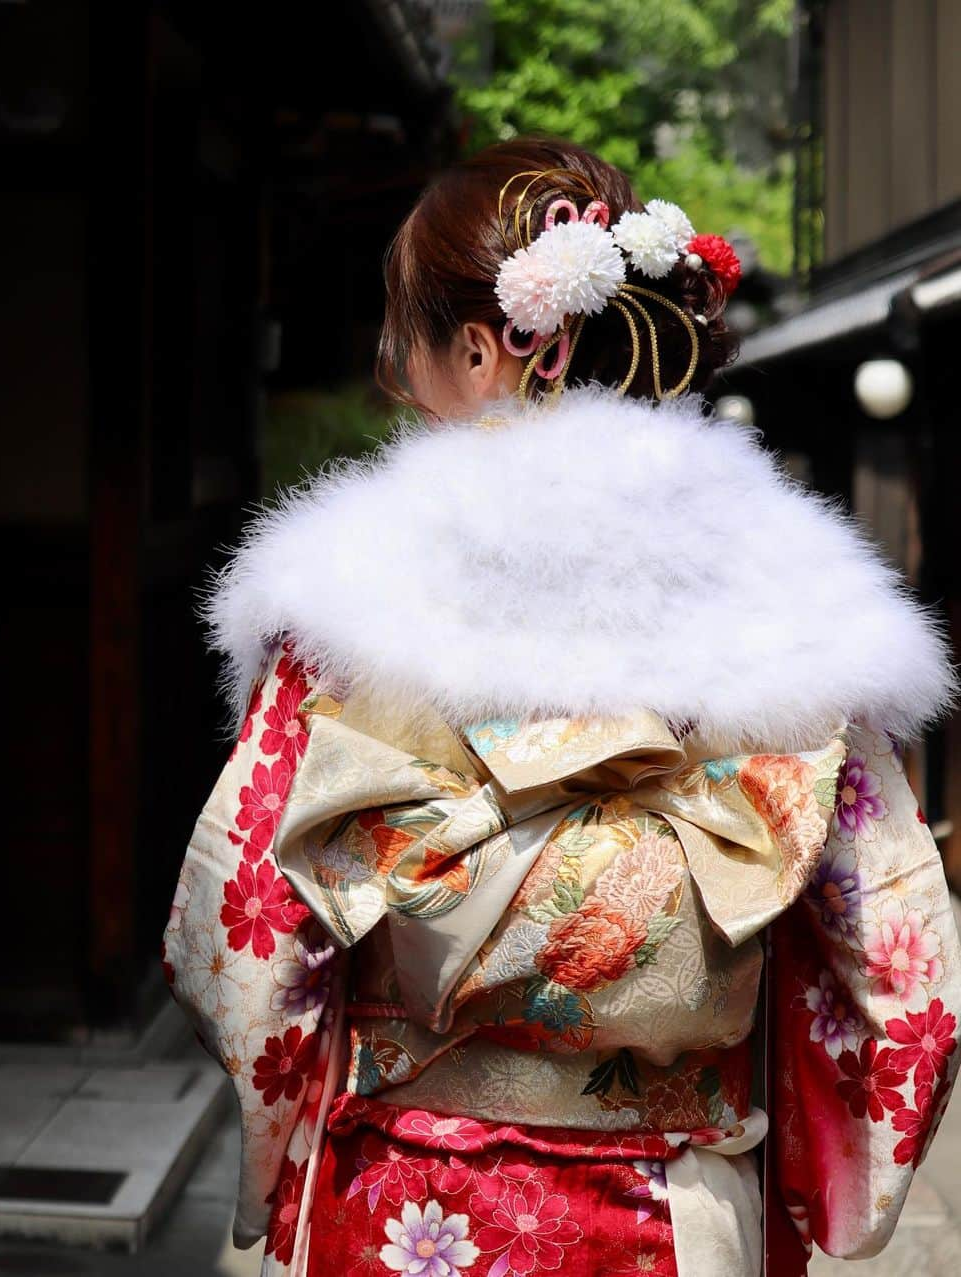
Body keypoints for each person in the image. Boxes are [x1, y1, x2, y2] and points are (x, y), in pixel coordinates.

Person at [160, 135, 961, 1277]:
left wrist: (285, 1131)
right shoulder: (790, 597)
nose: (403, 380)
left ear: (484, 347)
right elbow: (896, 952)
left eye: (410, 348)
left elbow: (236, 934)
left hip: (408, 1202)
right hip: (673, 1210)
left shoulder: (350, 588)